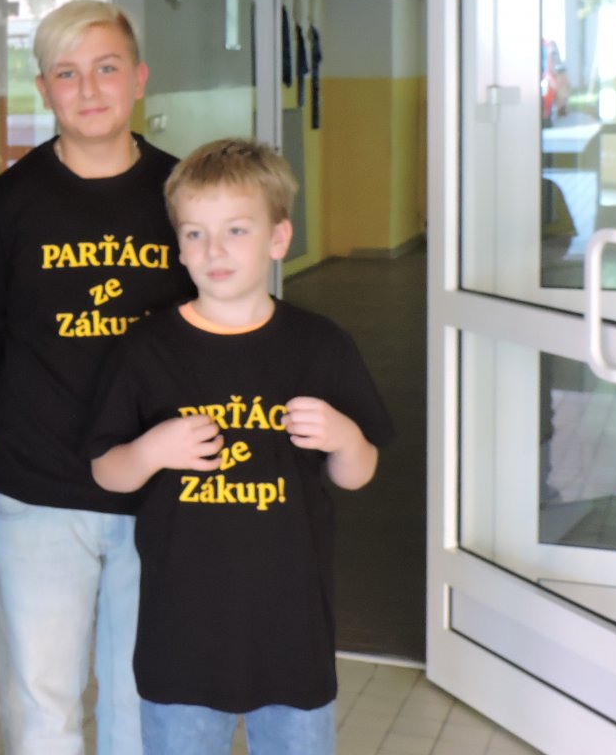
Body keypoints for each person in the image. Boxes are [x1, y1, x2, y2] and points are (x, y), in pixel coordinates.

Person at [84, 138, 394, 755]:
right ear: (179, 247)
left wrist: (344, 436)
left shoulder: (319, 345)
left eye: (236, 230)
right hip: (182, 637)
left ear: (278, 238)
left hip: (292, 631)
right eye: (195, 234)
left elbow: (359, 472)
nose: (214, 250)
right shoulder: (147, 350)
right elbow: (106, 471)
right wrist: (151, 451)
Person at [0, 0, 193, 755]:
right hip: (40, 490)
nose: (88, 89)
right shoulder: (6, 205)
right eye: (67, 73)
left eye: (106, 68)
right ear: (44, 89)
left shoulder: (183, 195)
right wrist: (29, 419)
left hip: (161, 491)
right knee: (40, 704)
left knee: (142, 702)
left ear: (139, 79)